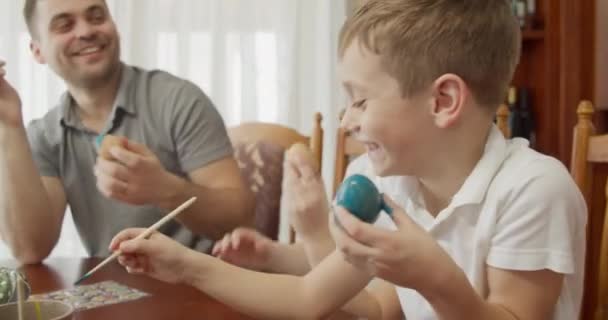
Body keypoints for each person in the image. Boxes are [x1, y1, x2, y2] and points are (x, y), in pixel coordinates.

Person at [110, 0, 587, 319]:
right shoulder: (388, 185)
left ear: (443, 101)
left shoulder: (533, 189)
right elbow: (307, 297)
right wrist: (185, 264)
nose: (345, 122)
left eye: (359, 101)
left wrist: (436, 278)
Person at [0, 0, 254, 264]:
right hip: (116, 290)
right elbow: (30, 249)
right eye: (65, 25)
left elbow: (239, 218)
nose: (86, 31)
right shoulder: (44, 135)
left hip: (205, 287)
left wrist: (163, 189)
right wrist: (9, 124)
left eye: (97, 17)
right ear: (37, 50)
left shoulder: (178, 100)